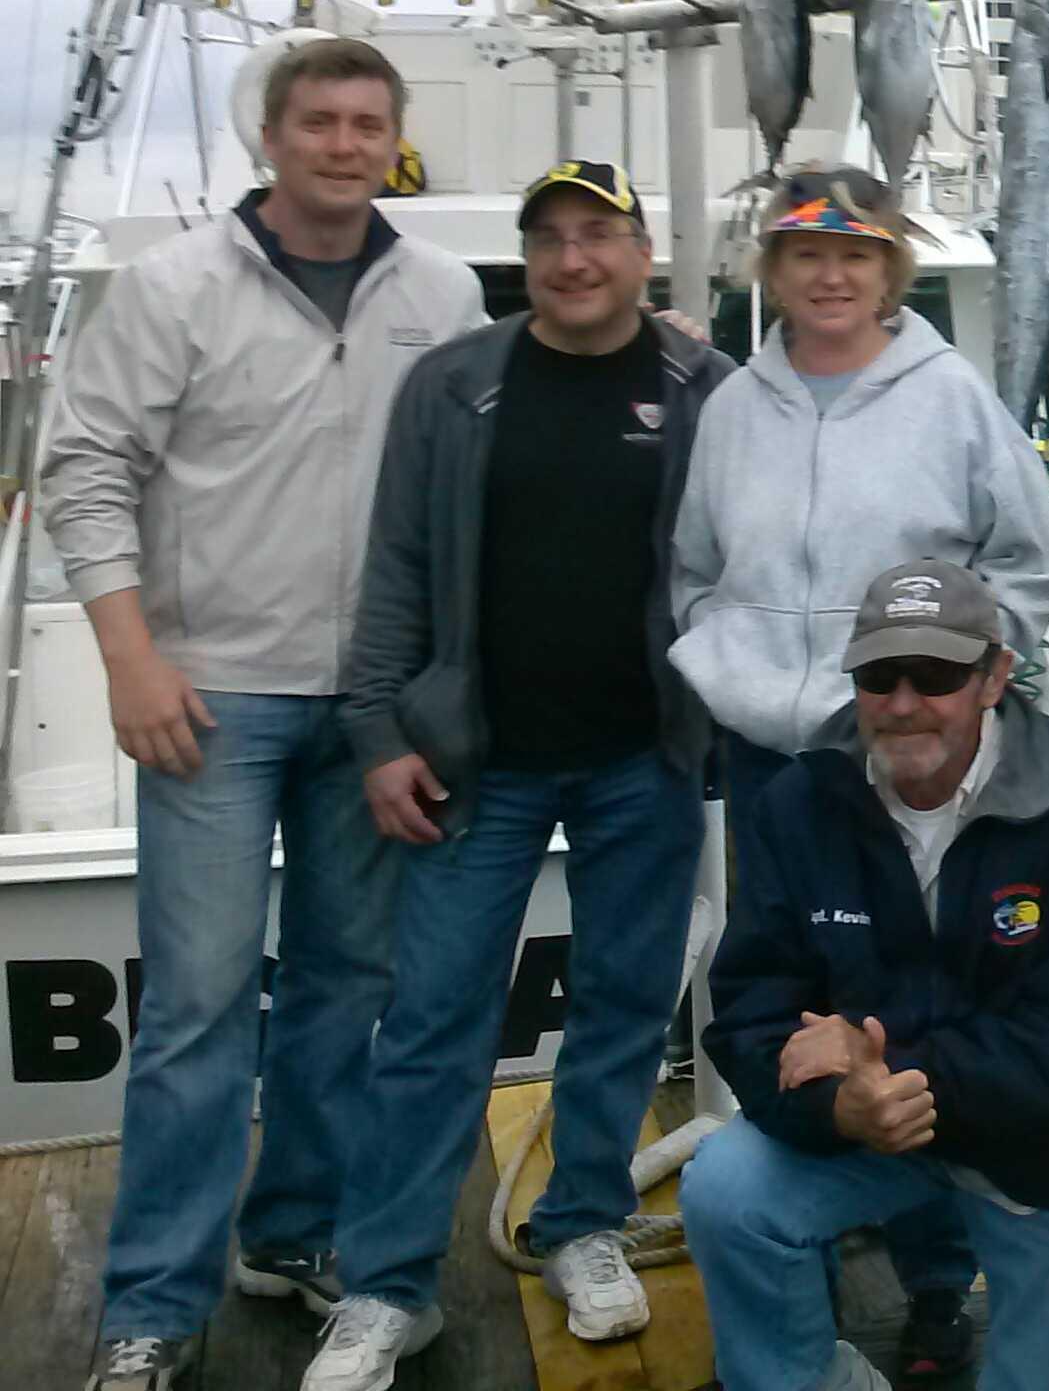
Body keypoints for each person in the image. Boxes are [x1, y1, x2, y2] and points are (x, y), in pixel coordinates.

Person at [40, 38, 486, 1391]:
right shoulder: (176, 288)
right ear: (271, 138)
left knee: (348, 990)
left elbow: (471, 476)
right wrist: (129, 658)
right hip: (211, 699)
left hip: (373, 705)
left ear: (392, 143)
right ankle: (151, 1305)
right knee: (197, 1006)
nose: (343, 145)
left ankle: (290, 1237)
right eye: (319, 122)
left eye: (367, 125)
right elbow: (84, 466)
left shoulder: (445, 290)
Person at [294, 162, 732, 1390]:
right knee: (431, 1022)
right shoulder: (454, 385)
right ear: (526, 258)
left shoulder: (705, 385)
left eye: (599, 235)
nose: (573, 259)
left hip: (644, 760)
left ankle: (583, 1222)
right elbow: (393, 574)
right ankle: (386, 1288)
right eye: (549, 239)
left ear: (641, 251)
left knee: (622, 1009)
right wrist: (380, 738)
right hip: (477, 769)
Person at [670, 165, 1049, 1375]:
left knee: (920, 1002)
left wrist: (964, 699)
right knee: (793, 1004)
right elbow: (696, 563)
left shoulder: (949, 398)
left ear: (890, 268)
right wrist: (723, 662)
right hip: (766, 753)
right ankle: (811, 1233)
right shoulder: (737, 406)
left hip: (899, 749)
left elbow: (1029, 561)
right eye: (802, 255)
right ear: (772, 272)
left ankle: (939, 1280)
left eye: (853, 256)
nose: (828, 276)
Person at [680, 557, 1049, 1391]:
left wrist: (892, 1073)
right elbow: (751, 1013)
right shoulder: (798, 803)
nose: (902, 703)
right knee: (726, 1193)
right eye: (878, 675)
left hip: (1040, 1154)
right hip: (872, 1128)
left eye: (935, 674)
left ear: (995, 676)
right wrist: (841, 1107)